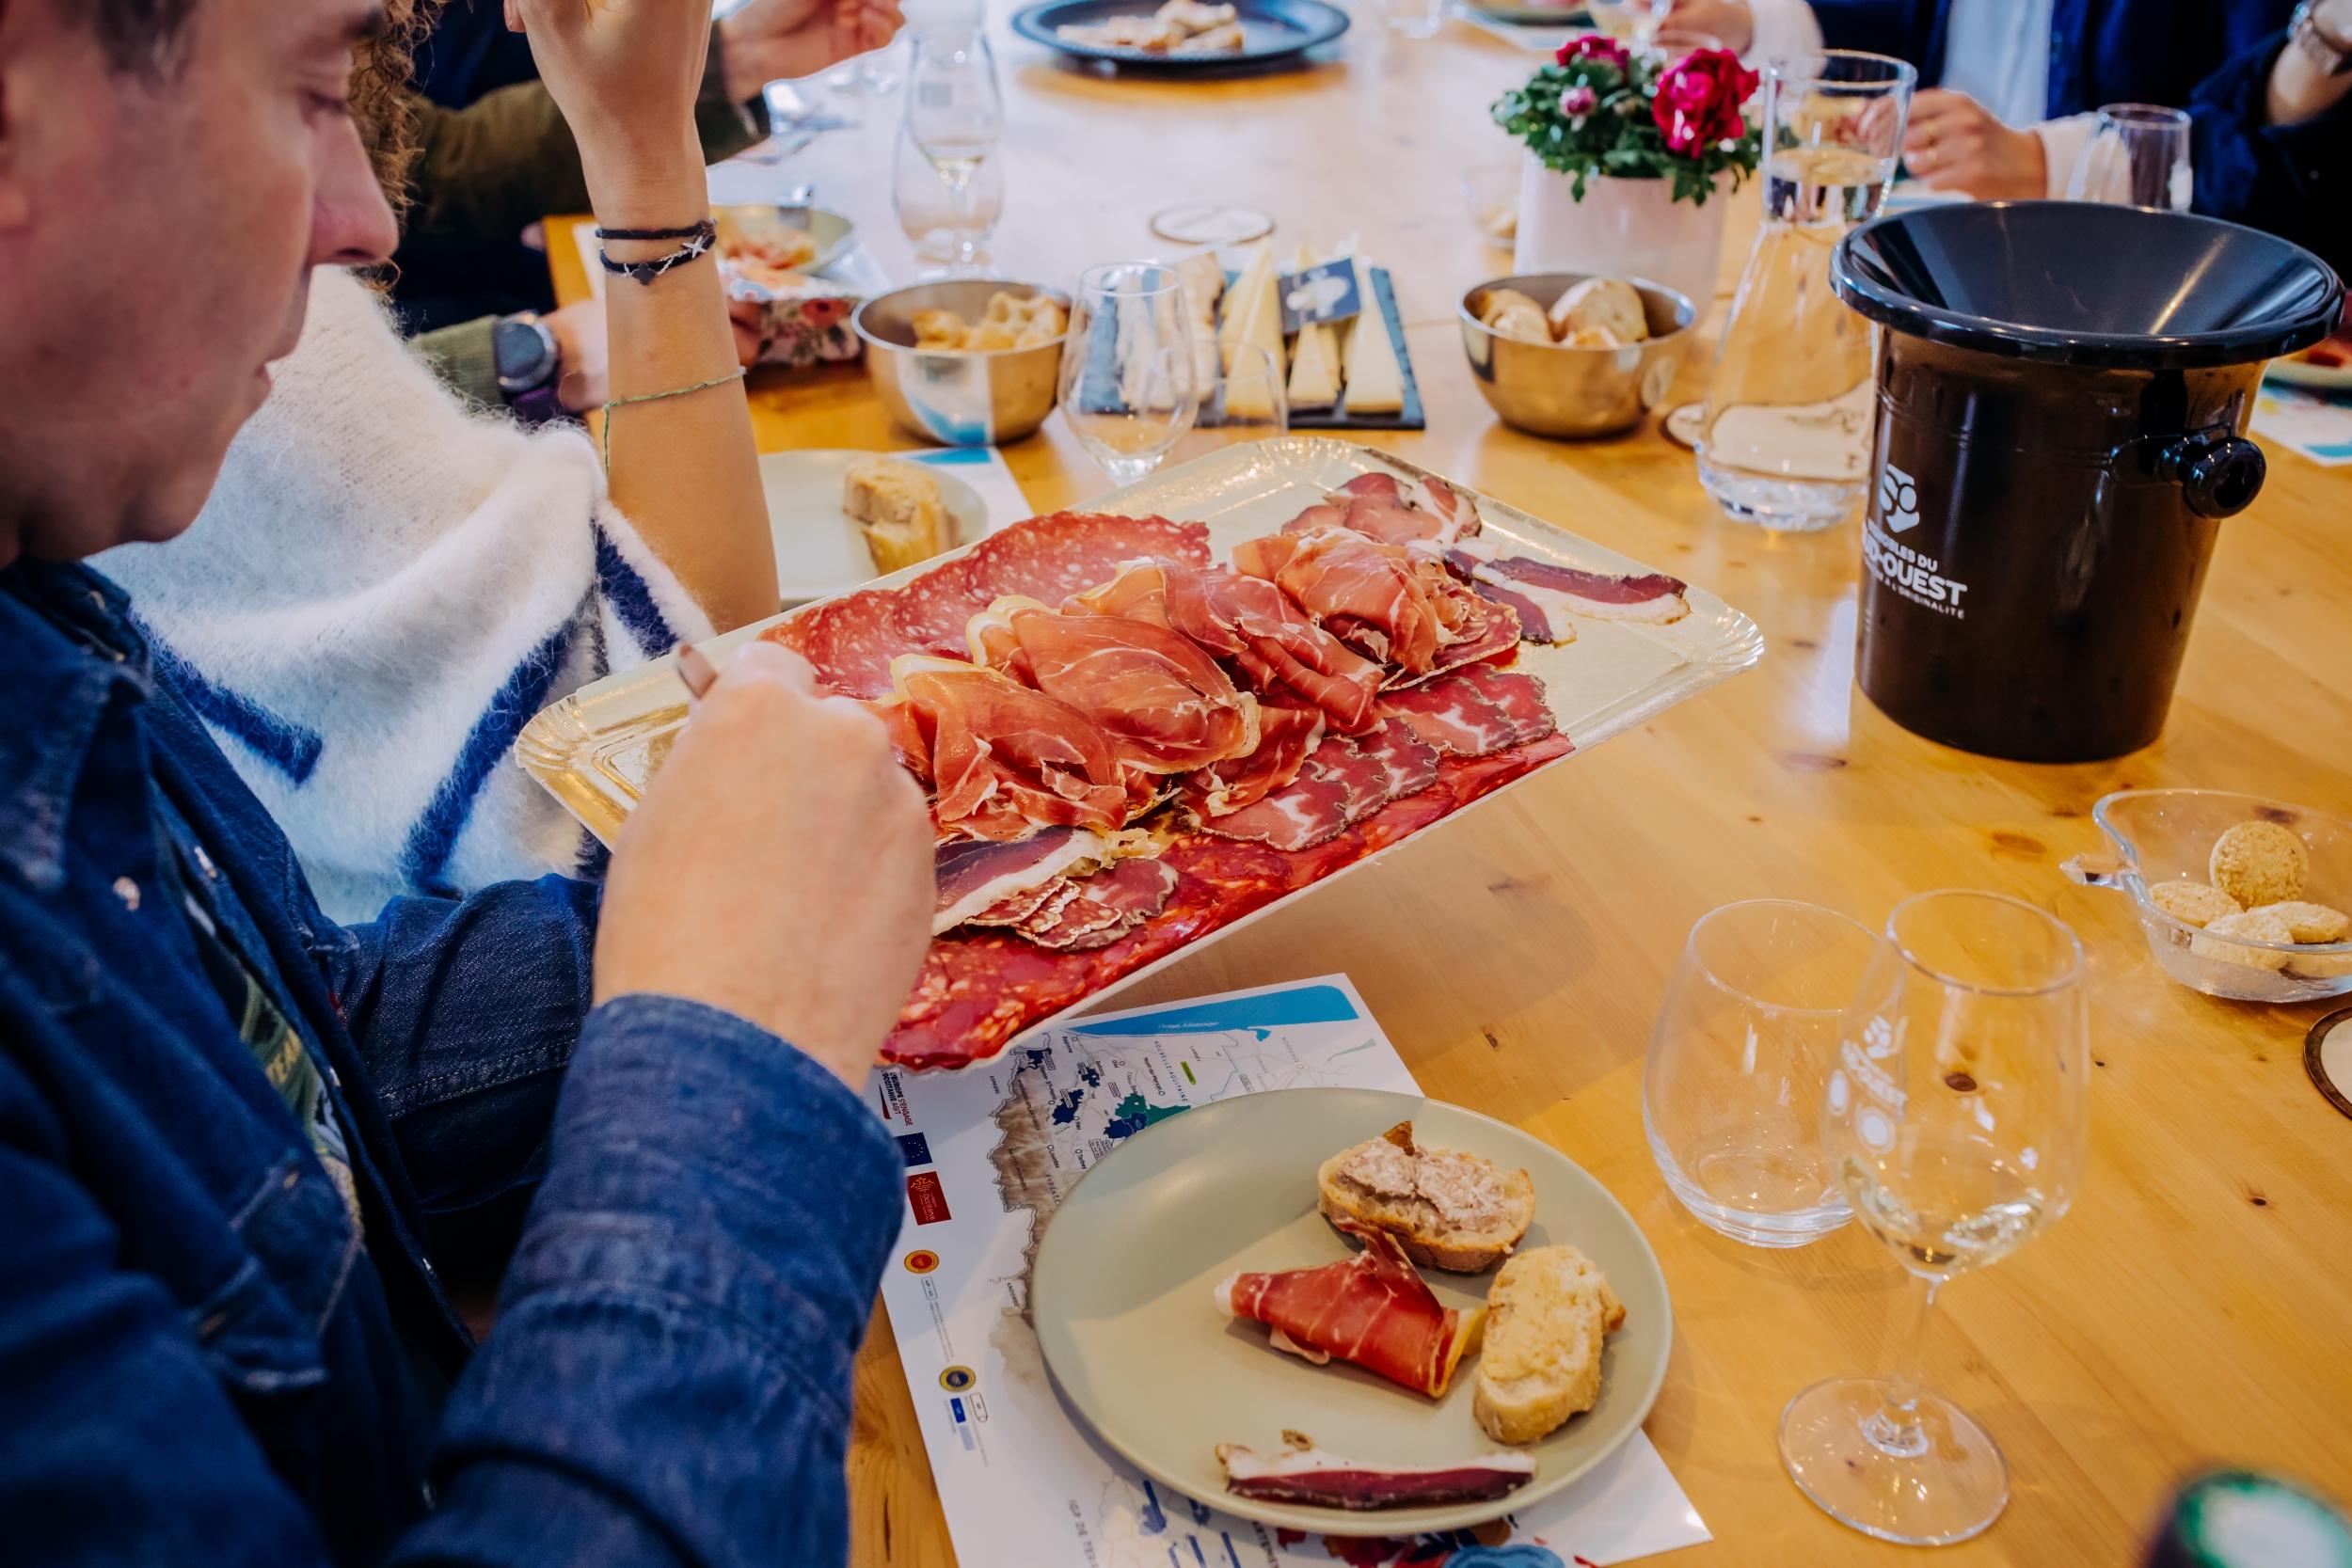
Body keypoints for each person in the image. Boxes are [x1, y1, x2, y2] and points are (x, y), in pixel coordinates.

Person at [0, 3, 933, 1565]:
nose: (367, 219)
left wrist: (756, 924)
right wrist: (724, 1062)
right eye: (313, 92)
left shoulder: (46, 619)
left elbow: (302, 1054)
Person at [95, 0, 898, 919]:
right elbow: (687, 744)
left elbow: (436, 156)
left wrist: (716, 68)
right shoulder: (224, 334)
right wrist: (649, 169)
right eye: (300, 99)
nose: (370, 229)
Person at [1666, 0, 2296, 201]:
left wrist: (2047, 162)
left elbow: (2264, 133)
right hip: (1927, 227)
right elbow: (1895, 17)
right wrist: (1750, 20)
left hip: (2117, 286)